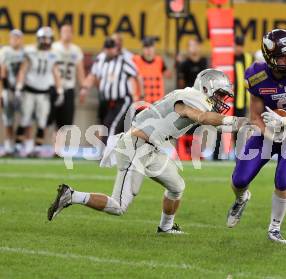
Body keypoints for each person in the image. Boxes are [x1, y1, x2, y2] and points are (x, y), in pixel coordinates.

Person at [47, 69, 248, 234]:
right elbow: (203, 118)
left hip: (151, 148)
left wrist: (253, 125)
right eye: (220, 94)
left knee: (176, 186)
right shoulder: (192, 98)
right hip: (136, 146)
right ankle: (72, 195)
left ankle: (166, 227)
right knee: (118, 205)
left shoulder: (193, 98)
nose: (223, 100)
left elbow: (216, 123)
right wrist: (237, 120)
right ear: (206, 88)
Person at [226, 29, 286, 244]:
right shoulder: (257, 76)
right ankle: (241, 198)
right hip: (269, 132)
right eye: (282, 56)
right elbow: (255, 116)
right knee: (239, 179)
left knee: (283, 178)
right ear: (269, 58)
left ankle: (274, 228)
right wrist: (271, 133)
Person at [15, 27, 63, 157]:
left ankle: (37, 148)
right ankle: (20, 146)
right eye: (44, 38)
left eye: (48, 39)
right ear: (39, 39)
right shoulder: (30, 51)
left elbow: (56, 73)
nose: (46, 42)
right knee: (25, 119)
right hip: (29, 91)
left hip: (44, 93)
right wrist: (19, 86)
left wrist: (60, 90)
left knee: (42, 122)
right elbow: (22, 70)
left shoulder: (54, 54)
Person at [80, 38, 137, 145]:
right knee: (106, 126)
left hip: (122, 99)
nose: (110, 51)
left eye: (112, 48)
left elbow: (135, 75)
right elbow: (93, 75)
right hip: (106, 101)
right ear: (104, 49)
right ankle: (108, 151)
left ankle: (107, 152)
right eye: (108, 48)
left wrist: (137, 94)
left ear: (116, 48)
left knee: (112, 125)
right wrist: (85, 89)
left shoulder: (123, 60)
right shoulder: (100, 59)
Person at [50, 24, 85, 131]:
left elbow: (80, 70)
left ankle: (59, 147)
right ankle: (51, 145)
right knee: (49, 120)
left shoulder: (76, 50)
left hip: (69, 88)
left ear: (72, 34)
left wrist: (83, 88)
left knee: (65, 123)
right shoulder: (53, 47)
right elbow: (50, 67)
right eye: (64, 31)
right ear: (60, 33)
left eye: (69, 31)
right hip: (54, 87)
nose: (67, 34)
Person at [0, 29, 25, 156]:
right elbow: (2, 71)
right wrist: (3, 90)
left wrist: (19, 88)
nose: (15, 40)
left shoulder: (24, 53)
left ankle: (19, 144)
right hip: (8, 88)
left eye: (18, 38)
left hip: (22, 90)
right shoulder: (5, 52)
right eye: (13, 37)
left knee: (24, 119)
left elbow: (24, 70)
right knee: (8, 119)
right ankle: (9, 145)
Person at [132, 36, 171, 104]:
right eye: (146, 47)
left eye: (151, 47)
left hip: (157, 103)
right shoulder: (135, 60)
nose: (149, 50)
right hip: (140, 103)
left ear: (154, 48)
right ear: (142, 49)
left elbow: (169, 75)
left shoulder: (160, 61)